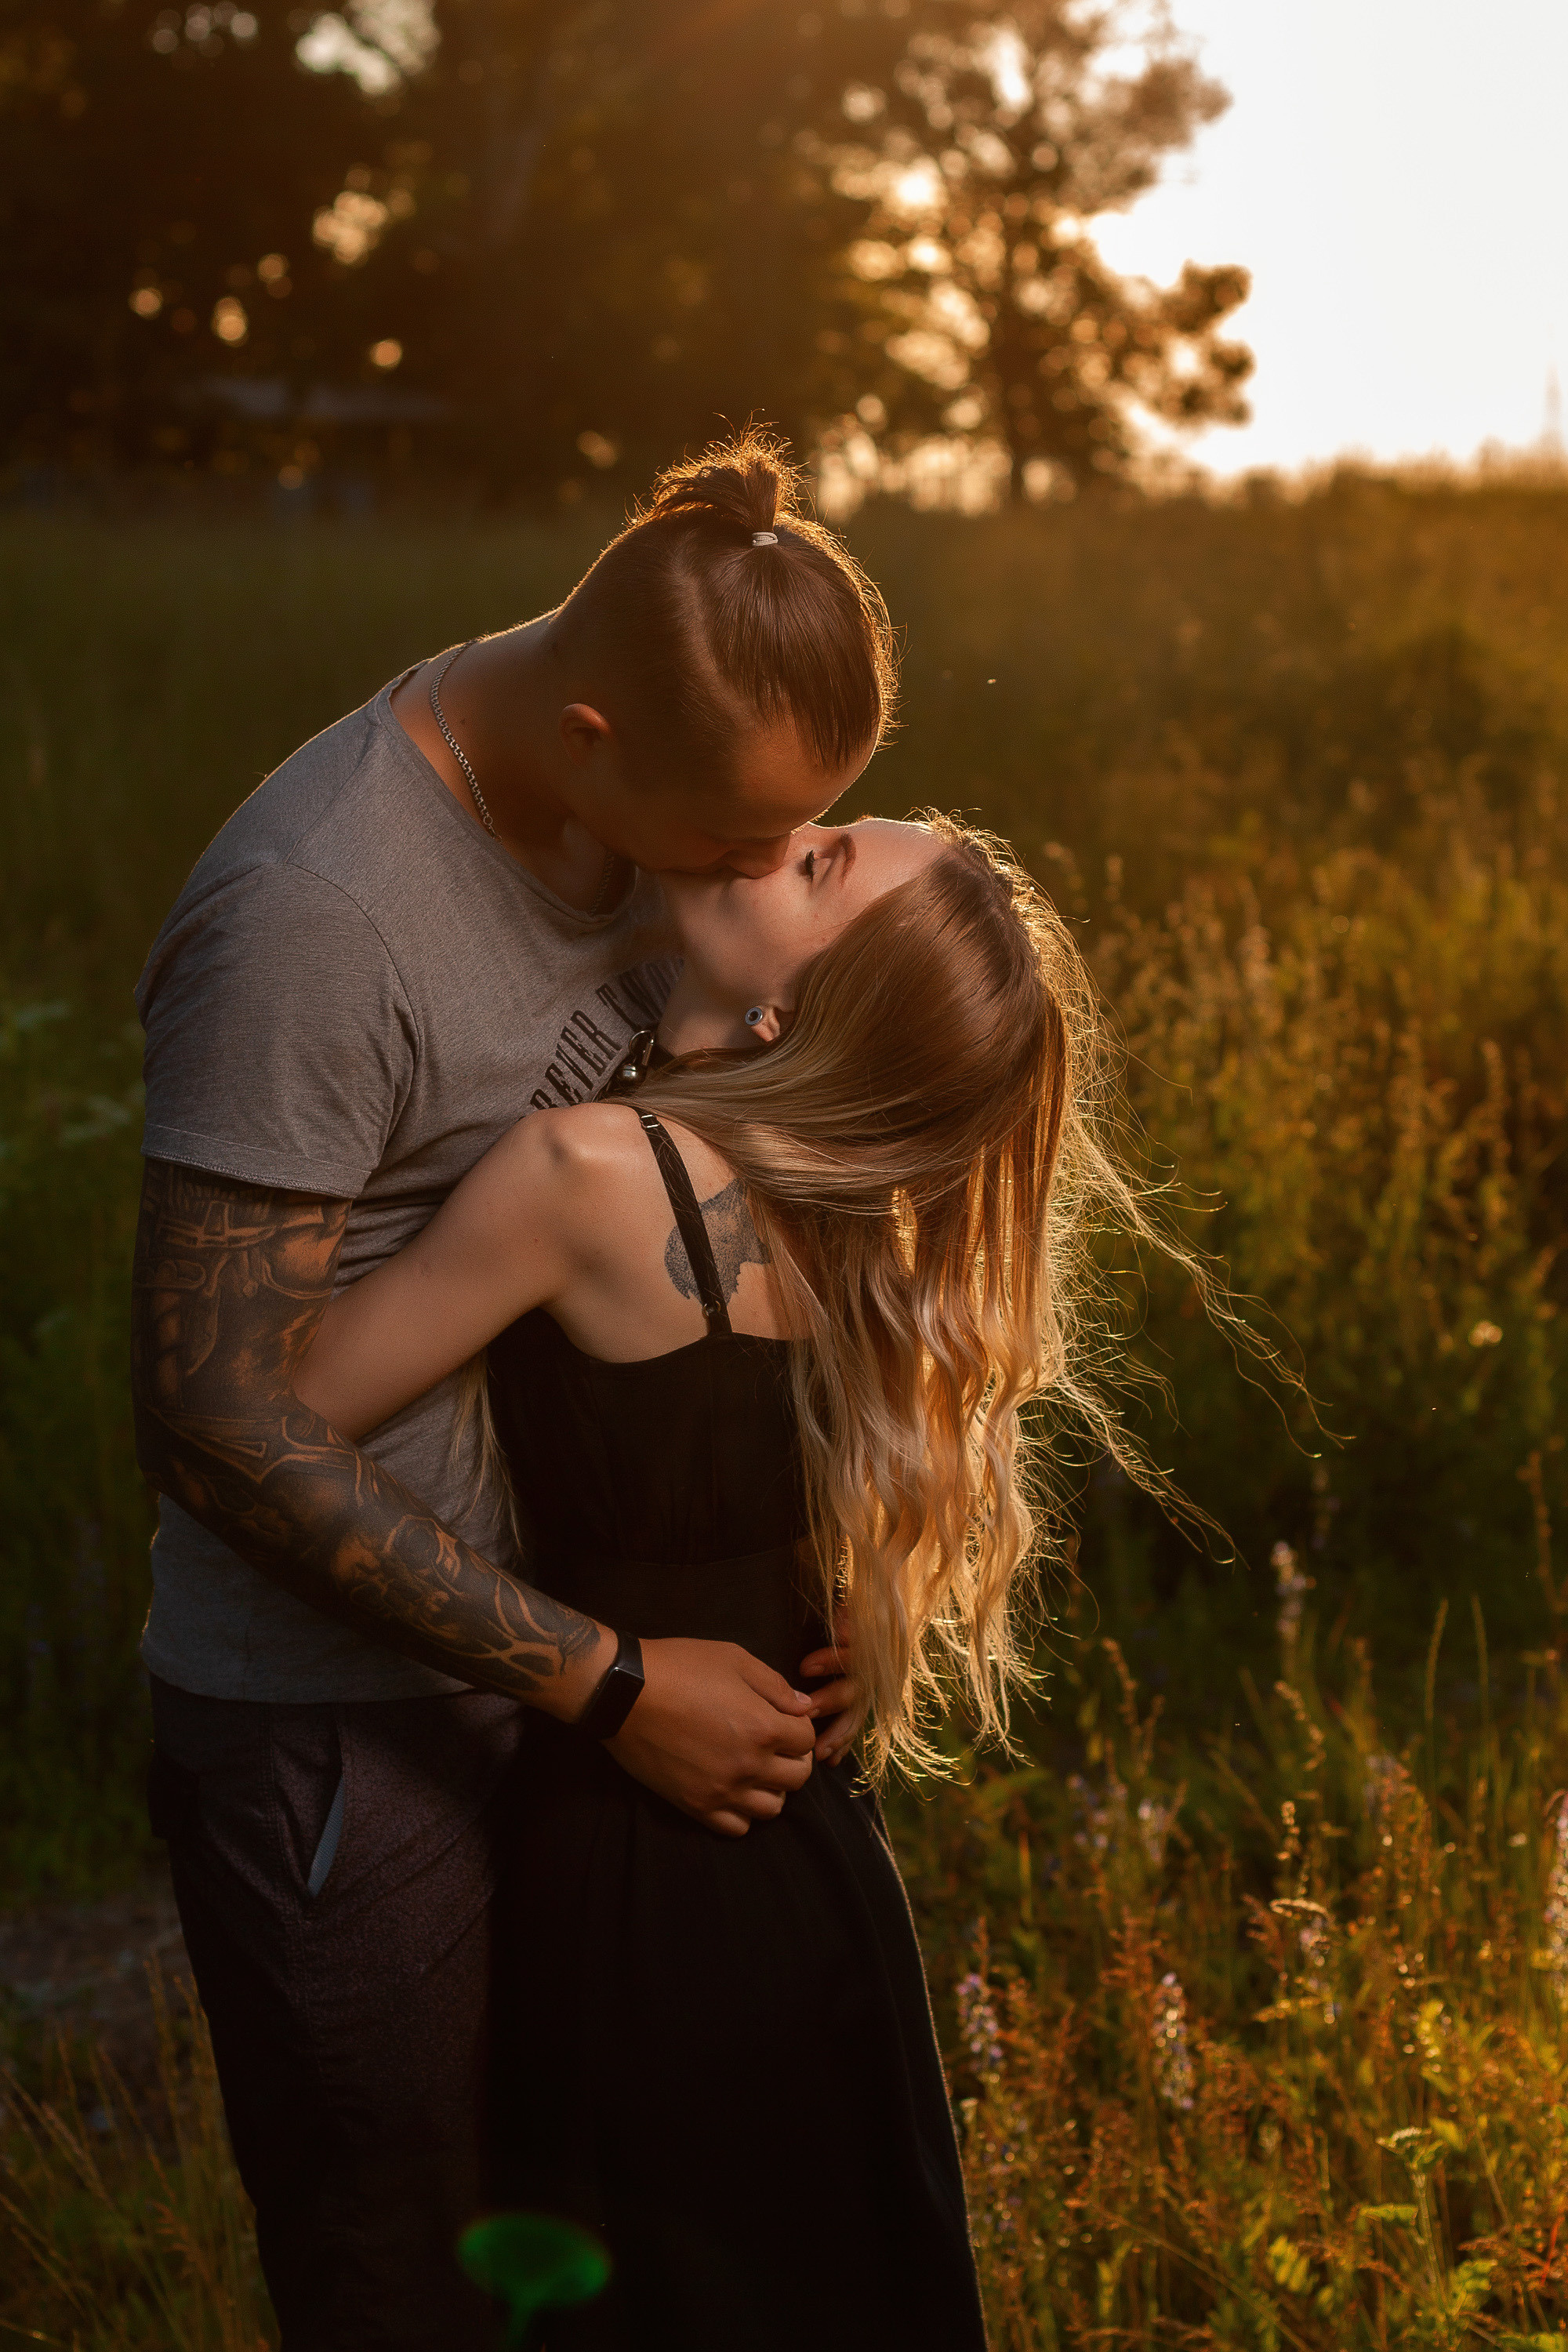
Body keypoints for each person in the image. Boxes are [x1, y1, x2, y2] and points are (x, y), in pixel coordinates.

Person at [130, 431, 896, 2348]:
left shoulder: (669, 775)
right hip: (351, 1723)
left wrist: (817, 1574)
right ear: (586, 736)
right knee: (401, 2261)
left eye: (795, 838)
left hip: (592, 1676)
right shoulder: (318, 918)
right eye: (731, 844)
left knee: (603, 2241)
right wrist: (609, 1681)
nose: (756, 875)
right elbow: (210, 1414)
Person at [292, 810, 1131, 2350]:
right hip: (815, 1856)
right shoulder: (849, 1198)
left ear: (789, 1014)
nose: (785, 830)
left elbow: (278, 1416)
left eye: (820, 866)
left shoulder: (586, 1169)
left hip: (643, 1857)